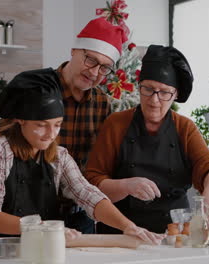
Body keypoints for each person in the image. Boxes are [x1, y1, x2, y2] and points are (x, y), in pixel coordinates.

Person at [0, 68, 163, 245]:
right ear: (21, 120)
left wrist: (127, 226)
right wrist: (45, 228)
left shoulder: (58, 156)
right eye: (41, 125)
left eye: (57, 125)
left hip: (31, 250)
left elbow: (88, 194)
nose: (51, 134)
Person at [85, 45, 209, 234]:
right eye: (148, 89)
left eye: (164, 92)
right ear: (139, 87)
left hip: (174, 235)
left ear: (175, 94)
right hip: (121, 232)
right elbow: (93, 181)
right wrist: (126, 186)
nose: (154, 100)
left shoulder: (184, 128)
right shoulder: (116, 124)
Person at [55, 17, 128, 234]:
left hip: (81, 215)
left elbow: (101, 163)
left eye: (105, 68)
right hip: (37, 213)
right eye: (90, 60)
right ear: (74, 50)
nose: (95, 73)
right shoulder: (41, 91)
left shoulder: (102, 103)